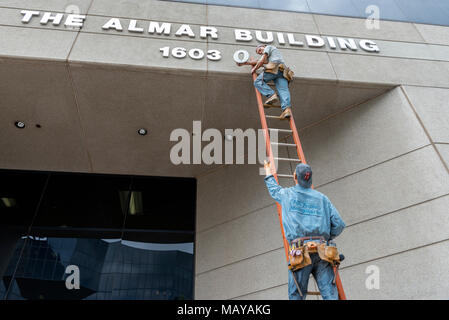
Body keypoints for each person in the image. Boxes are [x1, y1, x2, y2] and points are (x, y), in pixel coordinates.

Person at [263, 160, 346, 300]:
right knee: (330, 295)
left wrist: (267, 170)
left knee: (296, 295)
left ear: (295, 176)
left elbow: (273, 189)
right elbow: (339, 224)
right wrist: (327, 237)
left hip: (300, 251)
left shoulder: (286, 194)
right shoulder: (322, 199)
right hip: (322, 251)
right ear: (311, 178)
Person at [237, 44, 293, 119]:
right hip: (282, 72)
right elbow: (259, 61)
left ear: (264, 46)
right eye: (258, 52)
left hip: (274, 68)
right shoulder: (272, 54)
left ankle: (271, 95)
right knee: (283, 90)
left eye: (260, 50)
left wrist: (254, 69)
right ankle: (287, 110)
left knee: (258, 82)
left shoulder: (268, 47)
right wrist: (245, 63)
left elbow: (262, 60)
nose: (260, 52)